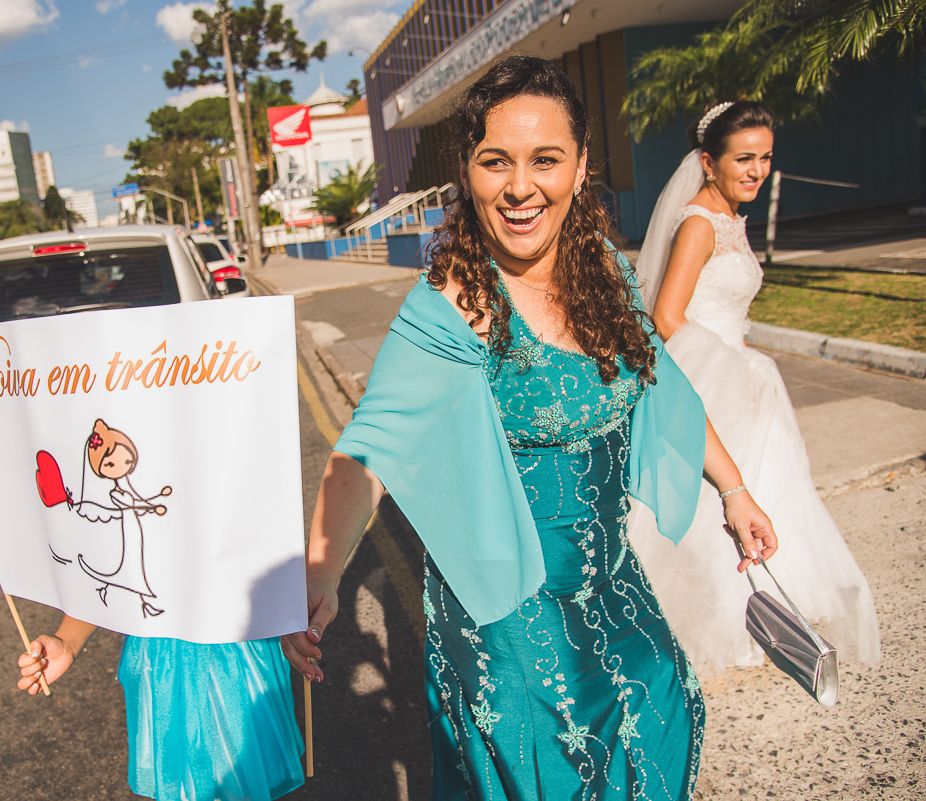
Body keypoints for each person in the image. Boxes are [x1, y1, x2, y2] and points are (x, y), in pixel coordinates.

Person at [281, 55, 778, 801]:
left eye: (545, 159)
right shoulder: (457, 302)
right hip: (509, 610)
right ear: (467, 171)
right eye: (495, 161)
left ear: (580, 168)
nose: (520, 187)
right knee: (559, 768)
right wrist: (321, 574)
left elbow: (658, 383)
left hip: (612, 582)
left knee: (660, 711)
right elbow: (368, 447)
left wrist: (734, 488)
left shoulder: (604, 268)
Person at [629, 101, 880, 671]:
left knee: (754, 494)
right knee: (713, 505)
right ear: (707, 163)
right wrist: (729, 366)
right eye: (743, 158)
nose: (757, 170)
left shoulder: (728, 217)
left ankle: (751, 613)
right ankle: (714, 620)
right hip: (712, 373)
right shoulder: (698, 224)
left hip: (739, 369)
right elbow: (667, 318)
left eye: (765, 157)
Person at [16, 623, 304, 801]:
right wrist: (68, 641)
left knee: (242, 772)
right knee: (187, 776)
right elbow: (110, 556)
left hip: (233, 651)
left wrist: (318, 576)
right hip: (164, 658)